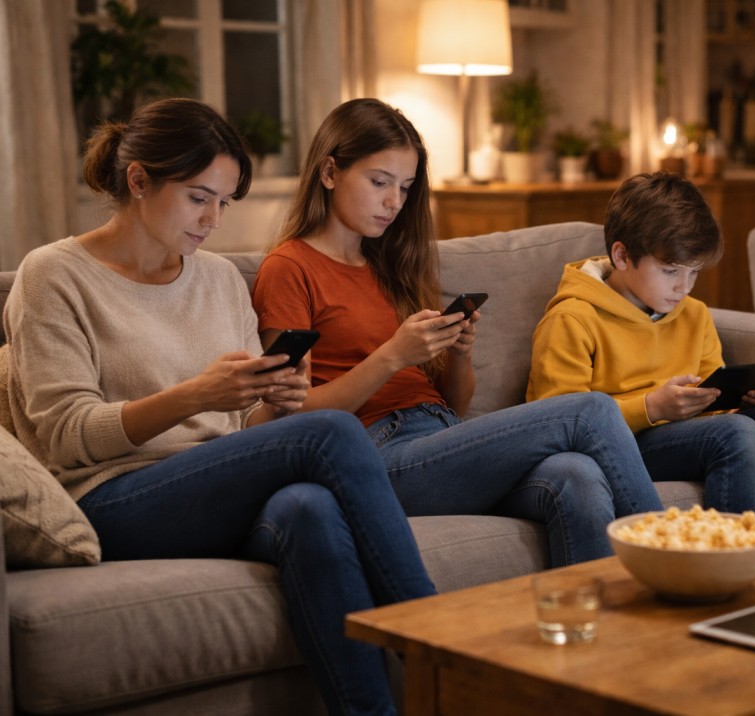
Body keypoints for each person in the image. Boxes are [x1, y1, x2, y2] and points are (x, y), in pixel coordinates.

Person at [2, 98, 435, 716]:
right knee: (331, 431)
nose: (214, 219)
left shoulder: (219, 279)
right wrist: (194, 395)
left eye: (225, 202)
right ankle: (439, 647)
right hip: (111, 497)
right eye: (199, 196)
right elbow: (65, 436)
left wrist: (275, 404)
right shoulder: (54, 275)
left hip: (210, 486)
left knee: (307, 506)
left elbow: (238, 431)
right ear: (139, 180)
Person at [250, 98, 665, 568]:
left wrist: (459, 352)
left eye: (405, 188)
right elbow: (293, 418)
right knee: (589, 411)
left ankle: (602, 634)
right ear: (329, 172)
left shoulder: (390, 267)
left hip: (442, 436)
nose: (394, 202)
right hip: (374, 455)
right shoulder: (289, 268)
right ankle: (675, 563)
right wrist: (392, 355)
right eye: (379, 182)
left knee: (577, 476)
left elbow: (456, 405)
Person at [526, 172, 755, 518]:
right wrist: (651, 408)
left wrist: (736, 397)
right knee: (738, 434)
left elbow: (711, 399)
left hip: (686, 432)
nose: (684, 287)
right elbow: (560, 423)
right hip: (619, 445)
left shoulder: (693, 314)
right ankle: (729, 563)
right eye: (671, 272)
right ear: (622, 256)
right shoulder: (572, 318)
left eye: (694, 272)